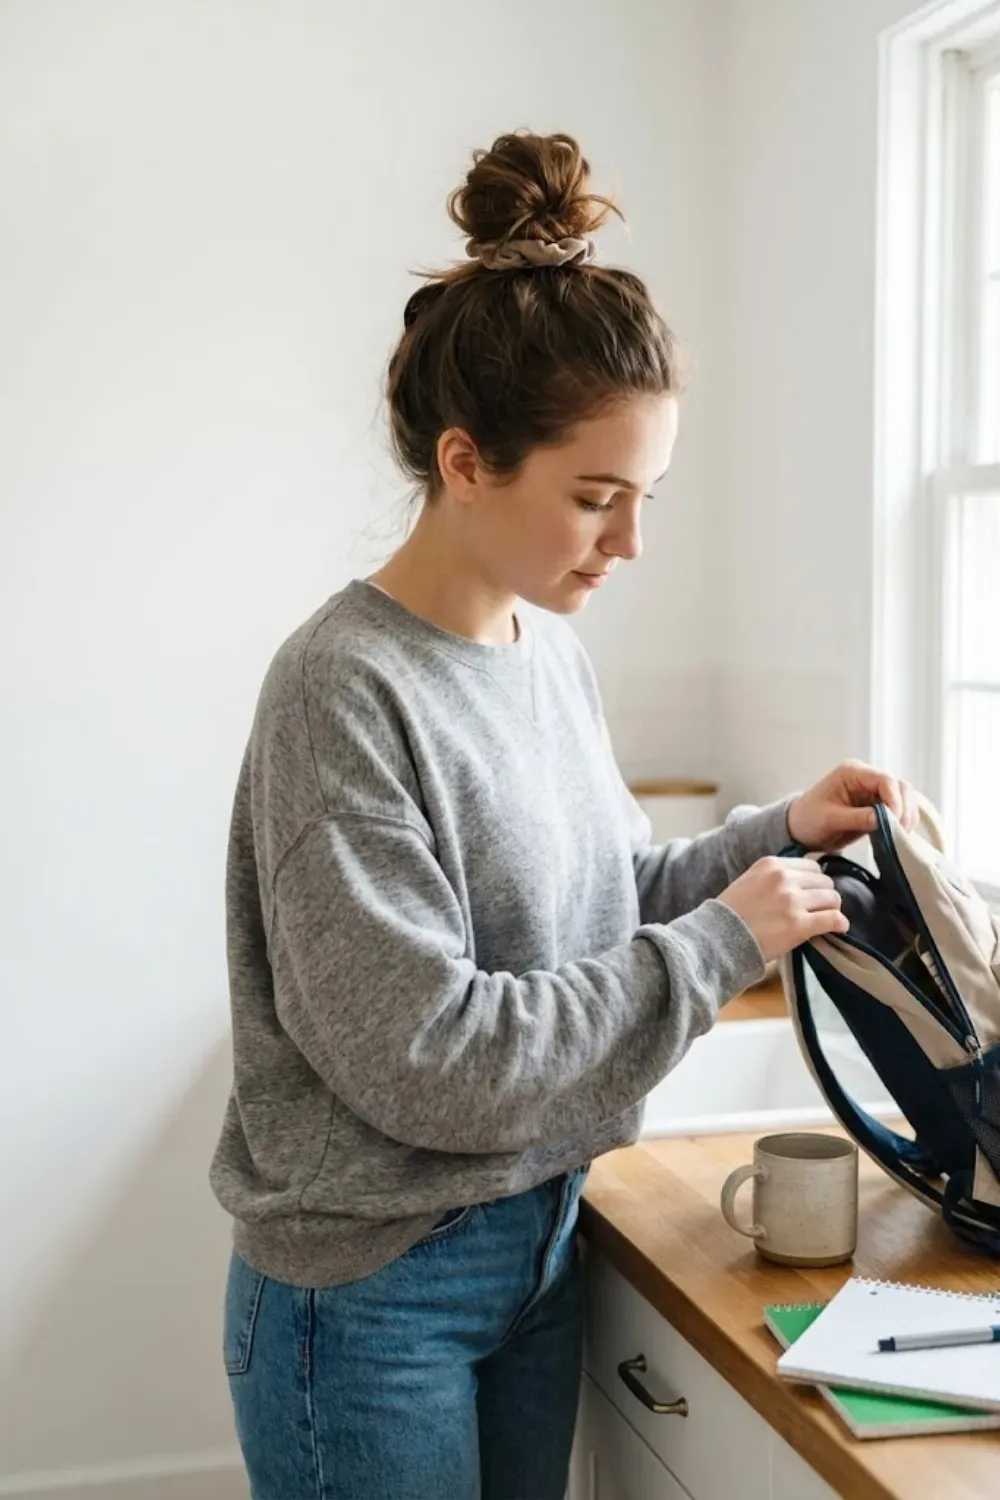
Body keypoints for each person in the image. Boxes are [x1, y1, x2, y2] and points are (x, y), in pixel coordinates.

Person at [209, 129, 916, 1500]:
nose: (628, 542)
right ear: (466, 461)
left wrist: (777, 835)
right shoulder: (340, 688)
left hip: (538, 1240)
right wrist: (724, 940)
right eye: (595, 499)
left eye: (644, 498)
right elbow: (429, 1058)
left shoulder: (549, 655)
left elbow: (600, 900)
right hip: (373, 1296)